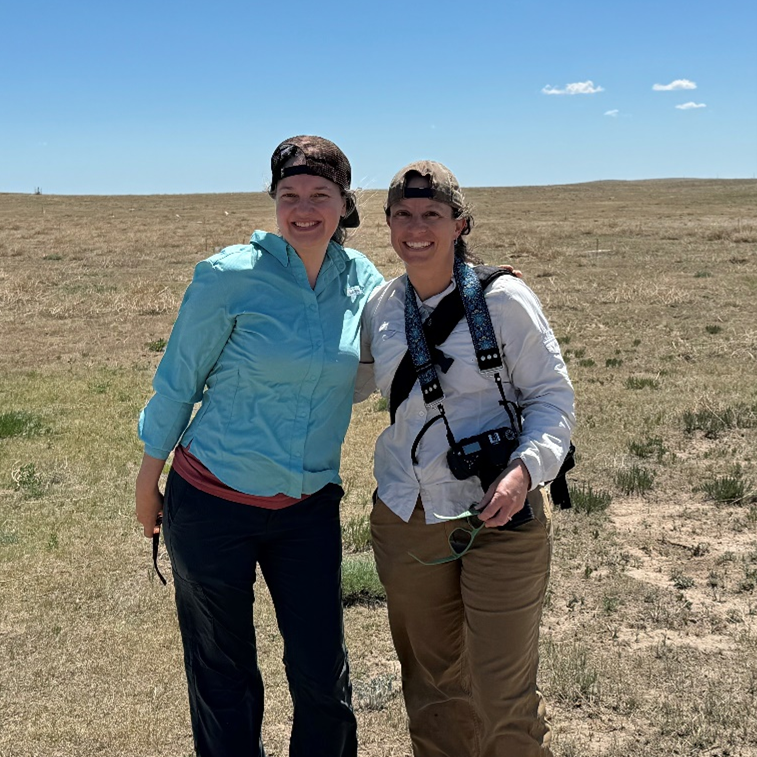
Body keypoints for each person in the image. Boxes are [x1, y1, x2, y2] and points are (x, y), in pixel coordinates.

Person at [135, 135, 385, 757]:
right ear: (273, 202)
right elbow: (178, 380)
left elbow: (413, 328)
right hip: (211, 502)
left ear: (345, 204)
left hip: (307, 508)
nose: (304, 209)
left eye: (320, 195)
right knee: (223, 675)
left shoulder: (363, 282)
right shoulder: (227, 276)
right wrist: (148, 478)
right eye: (289, 195)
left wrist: (480, 283)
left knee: (322, 674)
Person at [357, 161, 575, 756]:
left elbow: (552, 399)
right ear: (388, 224)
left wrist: (525, 470)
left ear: (460, 224)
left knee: (504, 695)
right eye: (403, 214)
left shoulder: (504, 299)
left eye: (432, 214)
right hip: (408, 514)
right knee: (431, 689)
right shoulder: (378, 306)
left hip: (501, 515)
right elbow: (341, 383)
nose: (416, 227)